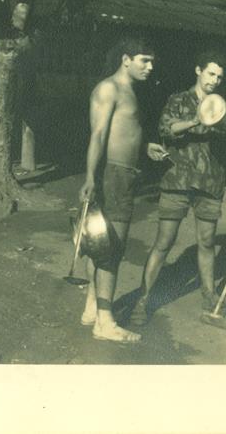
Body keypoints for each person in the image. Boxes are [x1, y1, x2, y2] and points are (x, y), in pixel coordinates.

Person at [130, 50, 226, 325]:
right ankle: (143, 299)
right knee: (164, 241)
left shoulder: (222, 106)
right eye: (211, 73)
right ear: (198, 70)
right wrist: (197, 120)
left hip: (210, 182)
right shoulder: (178, 99)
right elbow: (166, 128)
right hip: (178, 179)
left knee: (207, 242)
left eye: (219, 77)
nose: (214, 80)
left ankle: (209, 297)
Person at [79, 35, 168, 343]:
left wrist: (145, 146)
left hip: (125, 174)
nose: (150, 67)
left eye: (152, 61)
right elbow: (99, 134)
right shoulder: (110, 88)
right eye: (145, 60)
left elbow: (123, 131)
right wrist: (90, 176)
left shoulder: (128, 90)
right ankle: (105, 322)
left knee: (103, 245)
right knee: (111, 250)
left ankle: (92, 307)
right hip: (113, 176)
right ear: (126, 59)